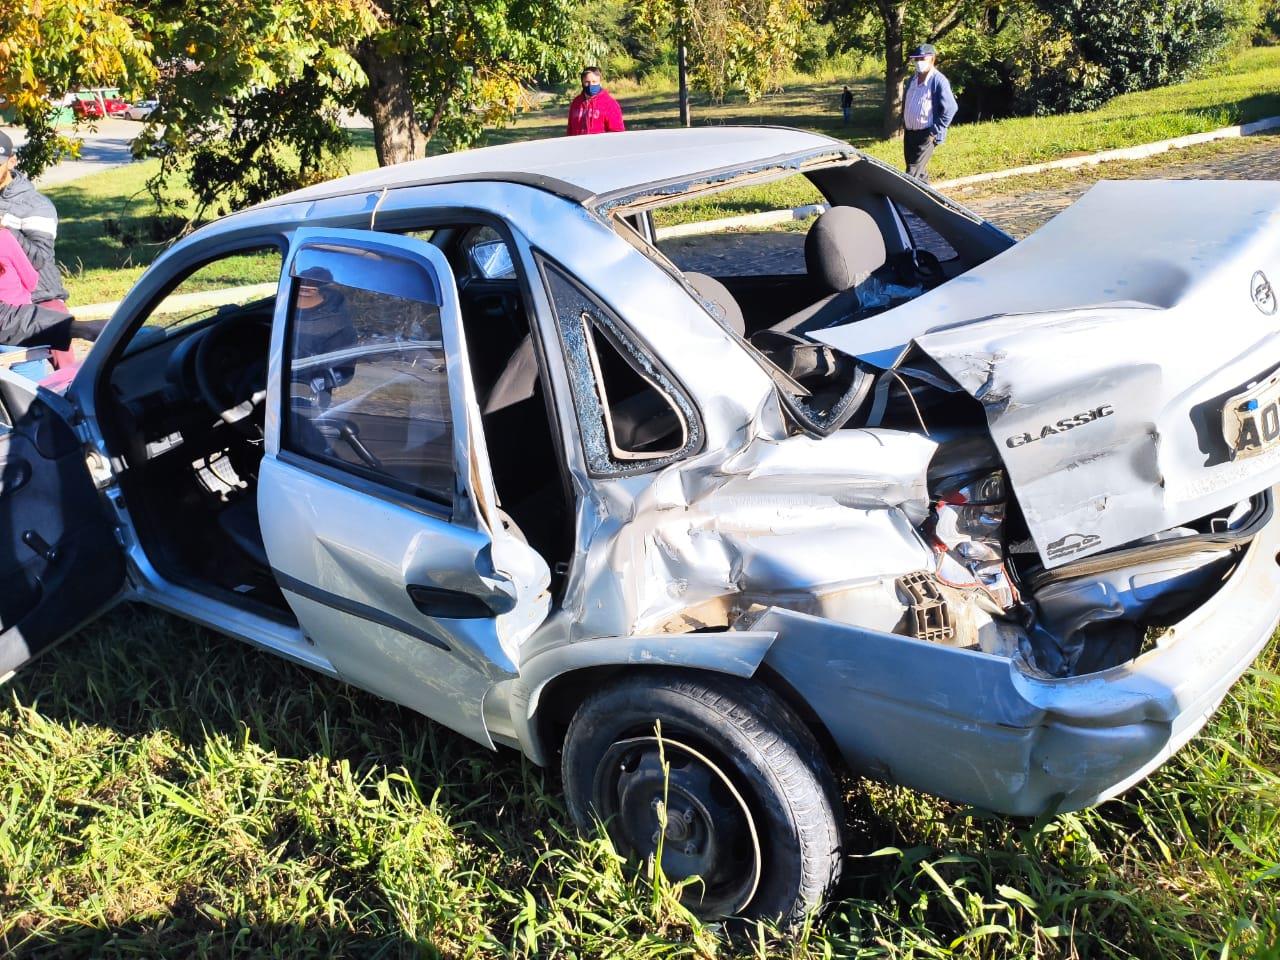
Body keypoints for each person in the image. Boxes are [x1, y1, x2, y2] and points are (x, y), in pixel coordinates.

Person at [0, 131, 70, 308]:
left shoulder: (36, 205)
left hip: (38, 300)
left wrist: (5, 229)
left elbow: (41, 260)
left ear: (11, 161)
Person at [901, 43, 958, 182]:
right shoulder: (912, 80)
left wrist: (935, 130)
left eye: (922, 59)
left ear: (932, 59)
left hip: (927, 134)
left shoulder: (938, 81)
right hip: (910, 133)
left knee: (912, 171)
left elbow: (951, 108)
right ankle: (927, 200)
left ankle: (906, 201)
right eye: (916, 59)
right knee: (919, 173)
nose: (918, 62)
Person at [567, 67, 625, 136]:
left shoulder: (610, 103)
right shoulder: (576, 103)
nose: (590, 85)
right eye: (587, 82)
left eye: (594, 82)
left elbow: (617, 132)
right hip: (579, 145)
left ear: (600, 82)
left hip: (600, 145)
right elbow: (570, 130)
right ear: (582, 82)